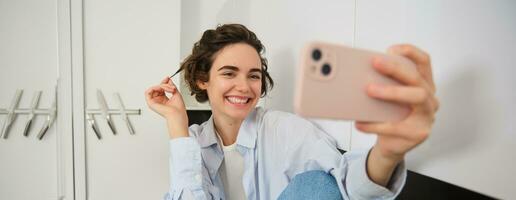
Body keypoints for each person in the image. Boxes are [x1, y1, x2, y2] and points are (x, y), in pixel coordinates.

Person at [145, 24, 439, 200]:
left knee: (317, 183)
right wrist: (176, 123)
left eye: (254, 75)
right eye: (229, 73)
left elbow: (344, 184)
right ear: (202, 79)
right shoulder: (191, 142)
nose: (244, 86)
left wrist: (386, 153)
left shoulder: (283, 129)